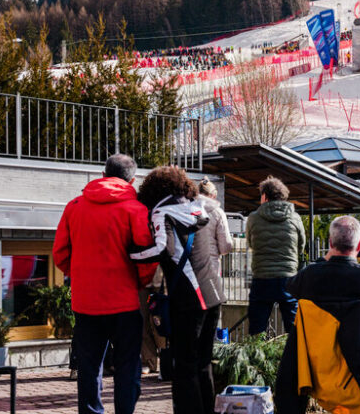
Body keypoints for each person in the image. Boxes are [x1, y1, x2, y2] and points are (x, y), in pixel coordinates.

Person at [275, 216, 360, 413]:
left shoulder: (308, 277)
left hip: (321, 371)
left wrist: (325, 260)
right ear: (359, 245)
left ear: (330, 243)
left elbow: (291, 285)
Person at [53, 154, 157, 414]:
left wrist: (80, 274)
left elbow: (60, 255)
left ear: (102, 175)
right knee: (127, 366)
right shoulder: (136, 210)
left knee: (88, 367)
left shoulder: (75, 206)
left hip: (86, 301)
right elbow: (146, 257)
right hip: (124, 301)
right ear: (132, 180)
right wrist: (139, 282)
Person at [133, 167, 230, 413]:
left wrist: (131, 254)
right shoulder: (200, 206)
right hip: (214, 292)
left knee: (184, 365)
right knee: (203, 363)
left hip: (189, 297)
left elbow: (163, 249)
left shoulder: (161, 211)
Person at [245, 176, 306, 335]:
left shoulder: (253, 218)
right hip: (288, 277)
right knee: (294, 328)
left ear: (264, 196)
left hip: (262, 277)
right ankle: (294, 358)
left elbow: (251, 244)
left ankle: (257, 358)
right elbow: (301, 246)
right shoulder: (295, 218)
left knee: (257, 328)